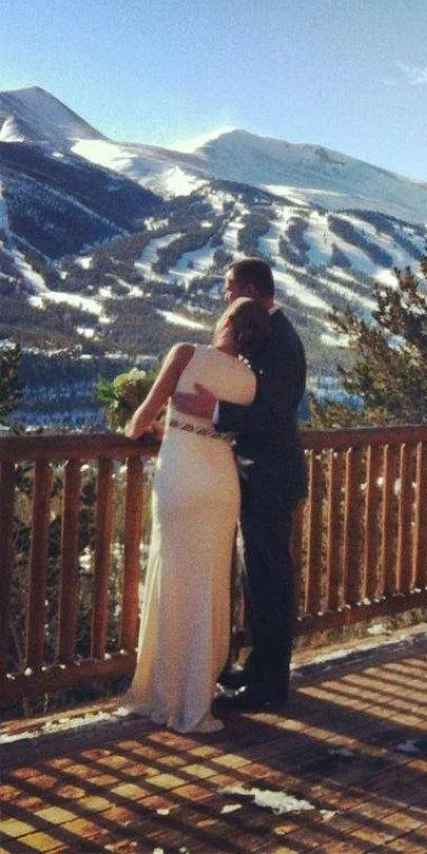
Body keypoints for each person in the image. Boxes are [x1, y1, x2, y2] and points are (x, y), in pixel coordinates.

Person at [123, 297, 271, 734]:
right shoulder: (248, 380)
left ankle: (160, 693)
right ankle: (196, 698)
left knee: (172, 581)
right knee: (209, 588)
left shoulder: (186, 353)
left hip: (182, 479)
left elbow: (139, 420)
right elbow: (222, 426)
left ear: (225, 321)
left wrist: (141, 428)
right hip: (221, 484)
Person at [173, 257, 307, 712]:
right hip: (259, 474)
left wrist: (214, 411)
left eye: (230, 289)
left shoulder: (282, 343)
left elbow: (272, 413)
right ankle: (257, 669)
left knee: (269, 580)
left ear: (250, 288)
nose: (226, 297)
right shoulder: (266, 333)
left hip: (270, 476)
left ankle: (269, 687)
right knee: (258, 580)